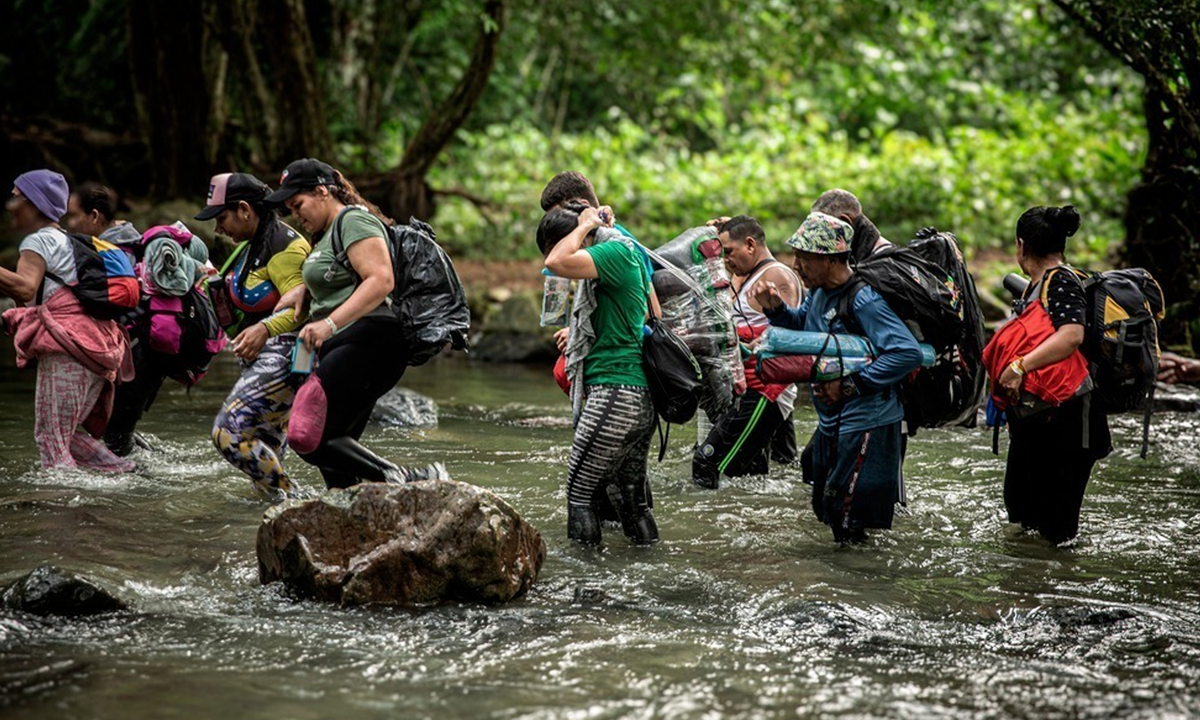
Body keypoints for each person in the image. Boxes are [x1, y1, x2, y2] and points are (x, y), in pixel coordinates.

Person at [265, 158, 445, 489]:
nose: (295, 215)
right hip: (349, 342)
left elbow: (380, 280)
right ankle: (348, 509)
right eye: (290, 209)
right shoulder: (327, 234)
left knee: (308, 435)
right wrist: (305, 290)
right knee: (334, 446)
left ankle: (408, 478)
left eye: (298, 204)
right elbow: (340, 275)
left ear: (322, 192)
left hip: (372, 339)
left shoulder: (353, 220)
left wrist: (328, 324)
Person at [754, 212, 923, 542]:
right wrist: (775, 309)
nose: (796, 266)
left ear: (831, 260)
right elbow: (804, 327)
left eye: (804, 258)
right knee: (830, 512)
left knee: (849, 522)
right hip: (833, 422)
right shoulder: (818, 293)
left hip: (868, 423)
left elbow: (906, 353)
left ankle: (861, 588)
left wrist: (849, 386)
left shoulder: (864, 299)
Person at [537, 201, 657, 546]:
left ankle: (584, 586)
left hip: (614, 392)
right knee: (631, 504)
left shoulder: (612, 251)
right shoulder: (624, 251)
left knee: (580, 494)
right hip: (636, 397)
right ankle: (651, 566)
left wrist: (582, 226)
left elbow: (556, 260)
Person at [0, 169, 134, 472]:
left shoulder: (37, 241)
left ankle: (63, 511)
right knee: (66, 436)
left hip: (68, 349)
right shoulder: (67, 241)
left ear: (34, 204)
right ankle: (127, 475)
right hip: (96, 348)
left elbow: (24, 286)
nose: (10, 206)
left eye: (16, 198)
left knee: (50, 439)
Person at [994, 205, 1111, 544]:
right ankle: (1035, 585)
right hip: (1042, 418)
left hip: (1071, 420)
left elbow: (1071, 334)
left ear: (1021, 245)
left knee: (1057, 529)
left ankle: (1060, 593)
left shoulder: (1059, 281)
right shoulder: (1037, 287)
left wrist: (1019, 366)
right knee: (1024, 511)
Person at [197, 172, 312, 500]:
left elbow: (303, 309)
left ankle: (299, 501)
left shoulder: (285, 248)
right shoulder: (253, 245)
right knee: (263, 459)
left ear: (245, 209)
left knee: (228, 433)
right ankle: (284, 515)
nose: (218, 229)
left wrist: (264, 329)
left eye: (222, 218)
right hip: (265, 357)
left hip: (290, 353)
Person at [693, 215, 803, 488]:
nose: (725, 259)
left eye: (729, 252)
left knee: (707, 463)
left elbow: (792, 333)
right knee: (749, 479)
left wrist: (752, 345)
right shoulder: (744, 276)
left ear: (751, 245)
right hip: (745, 388)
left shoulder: (776, 275)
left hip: (766, 390)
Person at [811, 188, 892, 265]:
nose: (821, 235)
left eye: (824, 227)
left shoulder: (884, 263)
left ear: (845, 221)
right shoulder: (864, 257)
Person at [64, 182, 142, 261]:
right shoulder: (130, 245)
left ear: (95, 216)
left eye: (74, 215)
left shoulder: (108, 258)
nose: (70, 223)